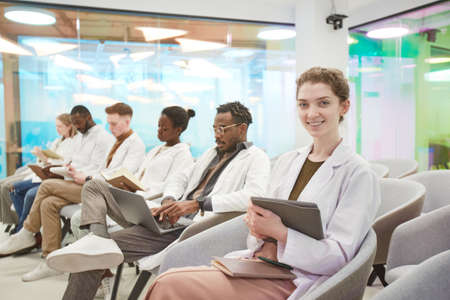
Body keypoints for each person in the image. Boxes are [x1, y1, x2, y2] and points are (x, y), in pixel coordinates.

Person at [143, 67, 381, 300]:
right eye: (303, 104)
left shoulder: (358, 174)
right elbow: (263, 218)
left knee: (170, 285)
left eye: (323, 103)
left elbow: (339, 257)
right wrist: (256, 225)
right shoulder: (290, 161)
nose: (311, 114)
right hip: (261, 264)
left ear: (344, 106)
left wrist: (279, 232)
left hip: (299, 279)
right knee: (171, 279)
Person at [49, 101, 271, 300]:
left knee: (88, 258)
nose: (217, 134)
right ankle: (97, 238)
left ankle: (95, 245)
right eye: (214, 128)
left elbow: (252, 196)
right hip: (164, 217)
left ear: (242, 129)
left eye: (222, 129)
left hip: (186, 230)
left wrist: (198, 204)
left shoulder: (256, 157)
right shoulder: (210, 154)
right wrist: (169, 199)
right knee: (94, 186)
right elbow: (180, 177)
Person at [0, 103, 145, 282]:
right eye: (109, 123)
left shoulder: (132, 144)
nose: (110, 127)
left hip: (103, 192)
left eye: (114, 123)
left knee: (46, 187)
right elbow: (101, 169)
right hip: (90, 184)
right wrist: (74, 171)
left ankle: (27, 232)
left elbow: (119, 176)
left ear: (128, 121)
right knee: (48, 203)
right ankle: (50, 260)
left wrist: (86, 177)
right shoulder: (117, 141)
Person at [10, 113, 78, 233]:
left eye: (60, 126)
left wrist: (45, 159)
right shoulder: (58, 141)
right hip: (45, 174)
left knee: (30, 194)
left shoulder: (74, 142)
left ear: (69, 126)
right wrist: (41, 156)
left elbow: (65, 163)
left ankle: (24, 231)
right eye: (56, 126)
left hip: (58, 177)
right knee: (14, 189)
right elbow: (49, 159)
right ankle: (25, 228)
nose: (57, 129)